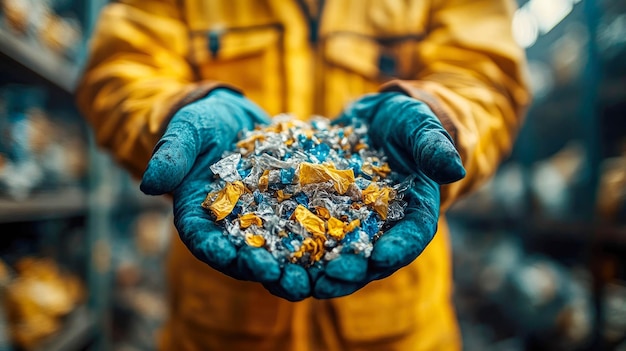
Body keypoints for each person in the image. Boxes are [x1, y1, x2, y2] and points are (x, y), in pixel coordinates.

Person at [76, 0, 530, 350]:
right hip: (219, 329)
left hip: (401, 330)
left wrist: (442, 120)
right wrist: (174, 117)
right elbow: (118, 72)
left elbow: (487, 78)